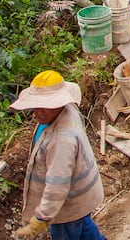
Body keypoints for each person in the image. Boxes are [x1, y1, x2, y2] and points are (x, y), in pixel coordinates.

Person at [10, 71, 106, 239]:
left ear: (58, 103)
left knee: (69, 230)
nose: (38, 112)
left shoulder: (61, 141)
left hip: (67, 205)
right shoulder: (65, 110)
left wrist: (41, 219)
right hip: (81, 195)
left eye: (44, 106)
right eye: (36, 105)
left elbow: (57, 187)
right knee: (82, 225)